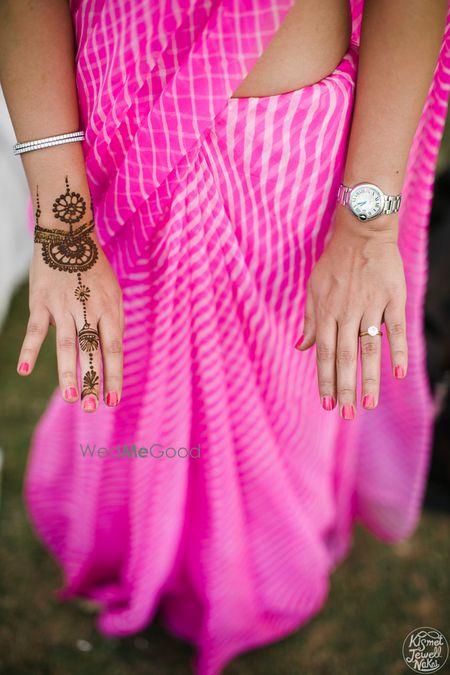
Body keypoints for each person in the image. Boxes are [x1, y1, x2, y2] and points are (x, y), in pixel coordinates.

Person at [0, 1, 449, 673]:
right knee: (128, 383)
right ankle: (138, 548)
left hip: (286, 158)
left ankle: (257, 568)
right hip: (118, 151)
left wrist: (365, 225)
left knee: (286, 393)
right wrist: (65, 230)